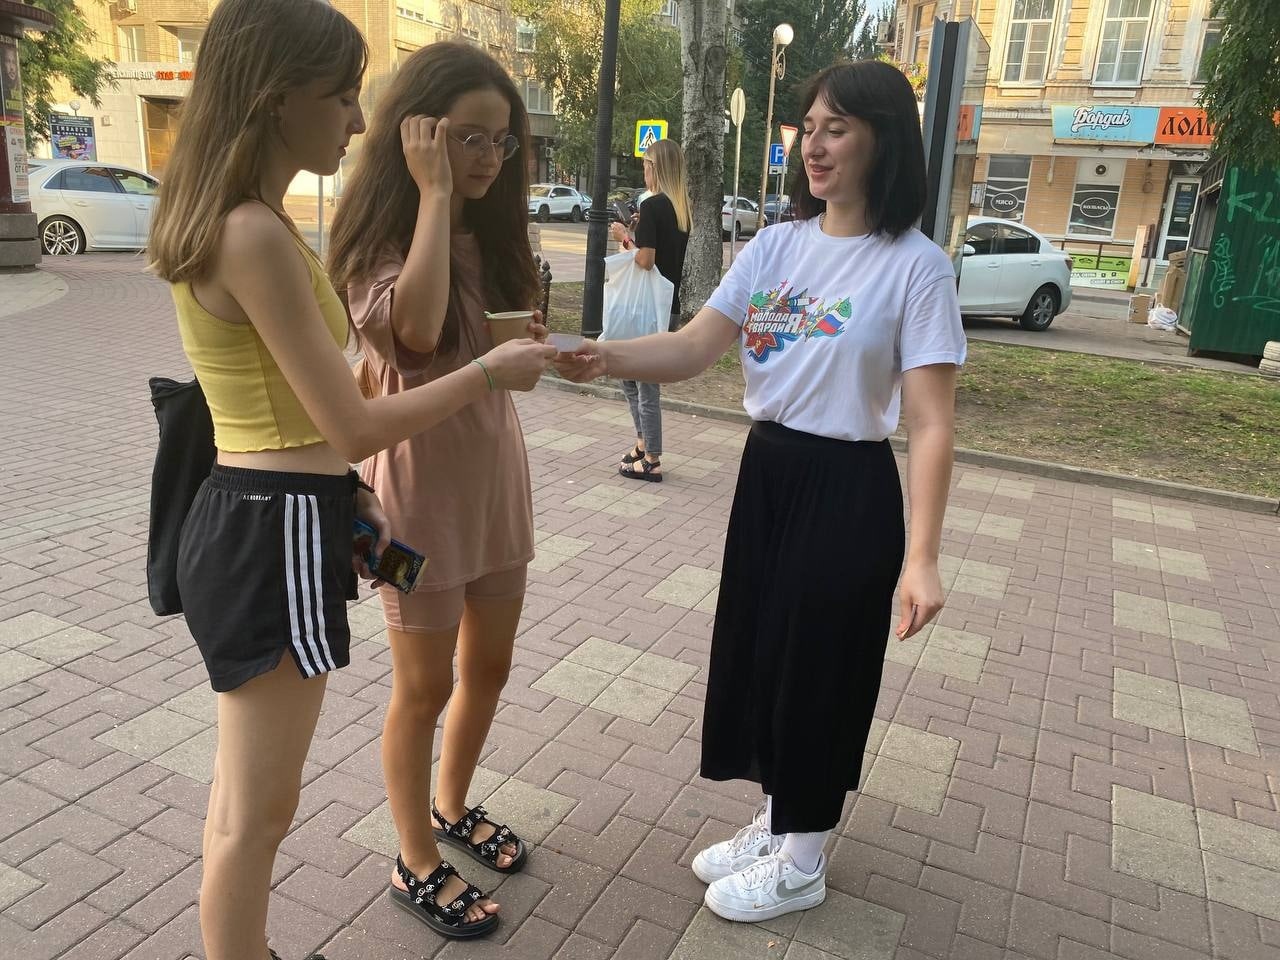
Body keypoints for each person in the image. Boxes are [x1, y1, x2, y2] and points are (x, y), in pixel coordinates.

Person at [147, 5, 554, 959]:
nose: (359, 121)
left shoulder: (247, 223)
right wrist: (488, 372)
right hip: (274, 526)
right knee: (258, 810)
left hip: (282, 511)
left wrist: (349, 489)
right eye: (340, 98)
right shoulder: (252, 232)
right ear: (273, 97)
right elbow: (360, 422)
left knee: (246, 801)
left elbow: (302, 415)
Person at [557, 60, 965, 922]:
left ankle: (804, 859)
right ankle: (781, 819)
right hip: (768, 473)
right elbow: (693, 347)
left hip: (847, 485)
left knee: (822, 668)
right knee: (764, 653)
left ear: (883, 140)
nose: (814, 145)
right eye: (809, 127)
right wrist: (600, 354)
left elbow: (931, 423)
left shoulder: (916, 266)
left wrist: (923, 557)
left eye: (837, 128)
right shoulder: (776, 245)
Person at [326, 42, 547, 940]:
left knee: (489, 668)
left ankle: (452, 805)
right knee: (422, 688)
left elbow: (496, 350)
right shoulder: (374, 241)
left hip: (496, 488)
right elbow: (414, 338)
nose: (490, 156)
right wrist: (433, 195)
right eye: (469, 137)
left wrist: (538, 347)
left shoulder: (495, 233)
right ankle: (414, 855)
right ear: (417, 136)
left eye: (502, 140)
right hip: (410, 505)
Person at [608, 138, 691, 482]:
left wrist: (624, 237)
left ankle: (652, 457)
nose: (643, 170)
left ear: (655, 168)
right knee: (630, 374)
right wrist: (640, 229)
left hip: (646, 307)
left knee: (644, 383)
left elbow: (645, 260)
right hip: (665, 304)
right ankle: (643, 443)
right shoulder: (681, 208)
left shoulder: (654, 205)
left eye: (646, 164)